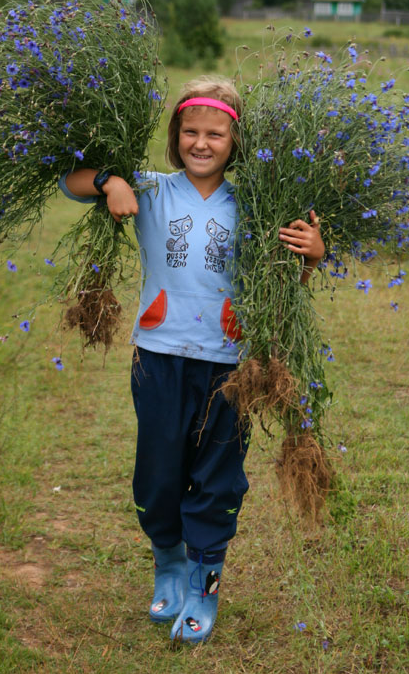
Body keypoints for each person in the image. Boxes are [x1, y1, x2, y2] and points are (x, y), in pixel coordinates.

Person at [60, 76, 325, 644]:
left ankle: (205, 580)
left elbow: (289, 277)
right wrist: (110, 183)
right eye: (190, 132)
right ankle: (169, 564)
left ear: (235, 141)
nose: (201, 143)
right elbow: (69, 181)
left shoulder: (258, 202)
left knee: (217, 475)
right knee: (158, 472)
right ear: (176, 136)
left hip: (233, 364)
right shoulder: (152, 188)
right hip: (158, 355)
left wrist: (314, 255)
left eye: (215, 134)